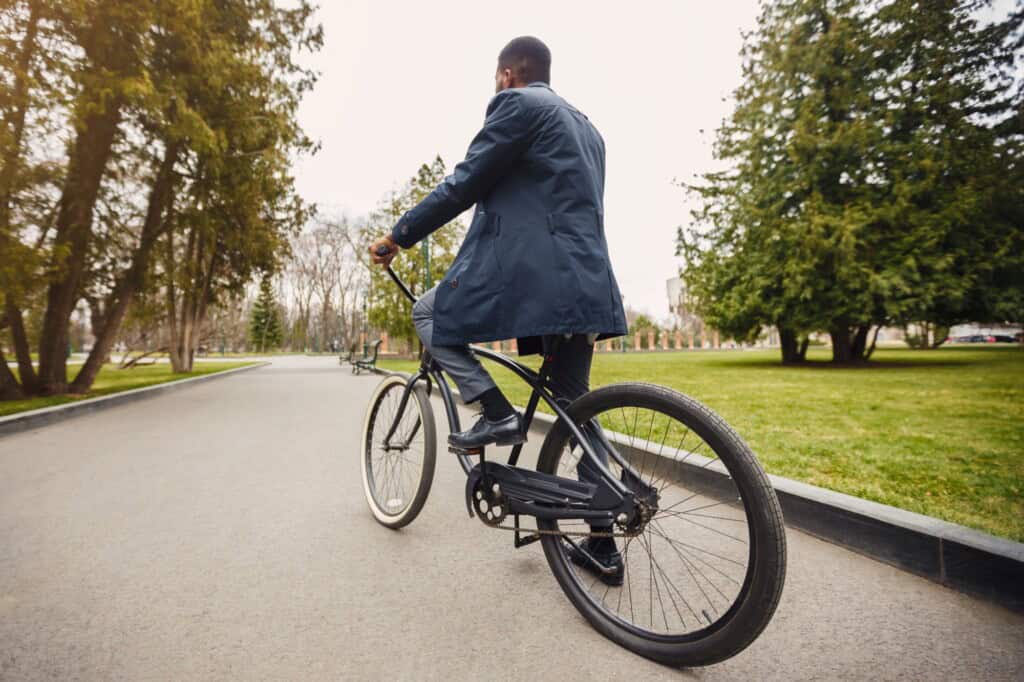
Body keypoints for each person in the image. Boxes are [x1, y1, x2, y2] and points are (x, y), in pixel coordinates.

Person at [369, 36, 627, 585]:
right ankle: (603, 540)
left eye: (496, 77)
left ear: (509, 74)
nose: (495, 86)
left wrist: (400, 235)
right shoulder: (588, 127)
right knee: (573, 404)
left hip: (534, 275)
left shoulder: (518, 105)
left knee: (428, 315)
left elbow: (465, 183)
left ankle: (495, 411)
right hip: (586, 279)